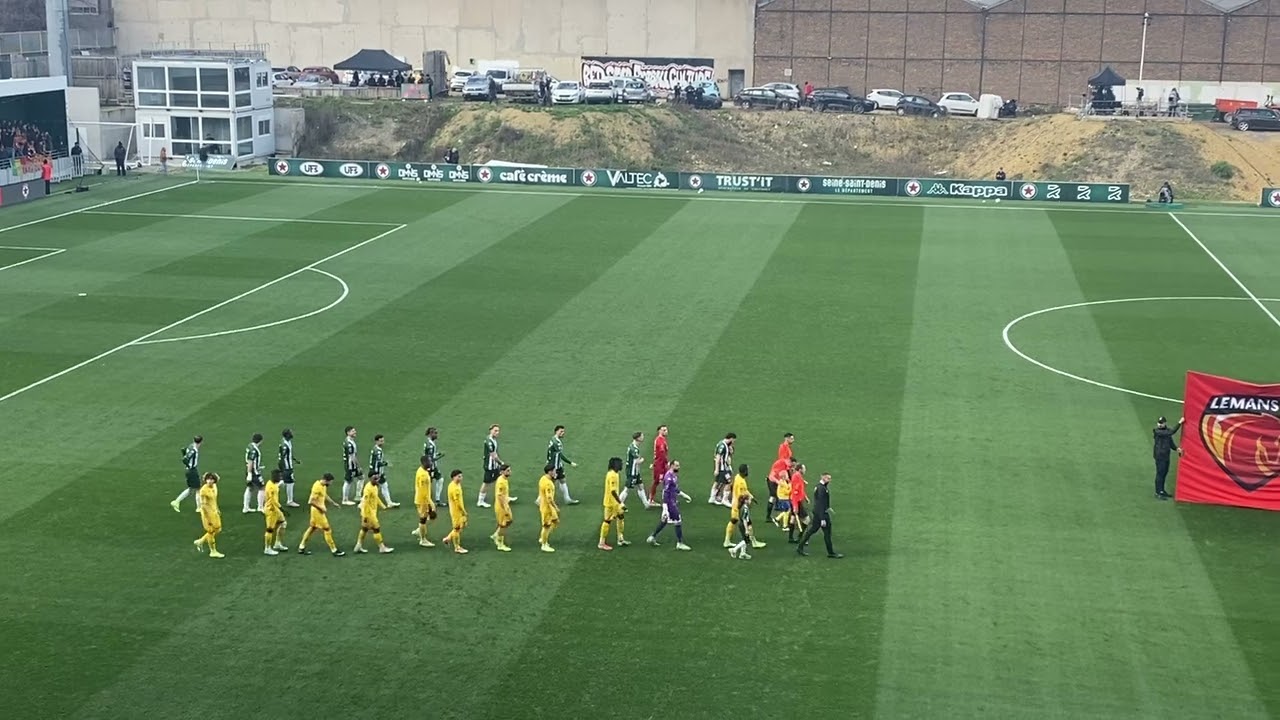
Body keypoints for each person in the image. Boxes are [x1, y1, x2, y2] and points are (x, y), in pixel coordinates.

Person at [647, 461, 692, 550]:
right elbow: (666, 492)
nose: (678, 467)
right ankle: (680, 543)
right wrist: (665, 507)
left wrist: (684, 495)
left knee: (664, 520)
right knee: (678, 520)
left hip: (671, 502)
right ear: (671, 466)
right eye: (676, 466)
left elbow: (675, 488)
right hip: (670, 503)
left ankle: (652, 537)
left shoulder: (673, 476)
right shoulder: (668, 477)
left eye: (679, 465)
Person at [796, 473, 843, 558]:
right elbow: (820, 503)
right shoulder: (822, 489)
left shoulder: (819, 487)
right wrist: (822, 518)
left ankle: (800, 547)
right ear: (823, 478)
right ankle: (831, 552)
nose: (829, 480)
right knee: (827, 533)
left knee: (812, 530)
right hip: (821, 514)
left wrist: (828, 507)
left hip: (818, 512)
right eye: (828, 478)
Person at [298, 473, 344, 556]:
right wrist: (321, 508)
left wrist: (333, 503)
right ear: (326, 480)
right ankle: (334, 550)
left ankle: (301, 547)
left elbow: (324, 495)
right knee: (327, 529)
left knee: (312, 528)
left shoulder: (323, 486)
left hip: (316, 511)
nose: (331, 484)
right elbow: (311, 501)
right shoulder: (317, 487)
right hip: (317, 512)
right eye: (330, 482)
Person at [724, 464, 765, 550]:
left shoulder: (737, 477)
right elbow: (742, 495)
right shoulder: (742, 482)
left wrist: (752, 496)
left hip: (734, 503)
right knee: (748, 522)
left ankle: (727, 541)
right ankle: (753, 542)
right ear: (745, 472)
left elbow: (744, 491)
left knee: (733, 520)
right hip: (740, 505)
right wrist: (749, 500)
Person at [354, 473, 394, 554]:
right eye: (375, 478)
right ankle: (381, 547)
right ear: (370, 478)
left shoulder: (374, 486)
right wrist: (365, 515)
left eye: (377, 478)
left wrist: (383, 506)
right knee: (376, 529)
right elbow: (364, 502)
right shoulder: (368, 489)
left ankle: (358, 546)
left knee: (364, 529)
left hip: (372, 512)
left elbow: (376, 497)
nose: (377, 480)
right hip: (369, 514)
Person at [599, 457, 628, 550]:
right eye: (620, 463)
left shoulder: (615, 474)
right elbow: (613, 491)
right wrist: (621, 502)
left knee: (621, 517)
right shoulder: (612, 475)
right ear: (615, 464)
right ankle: (601, 543)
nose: (621, 465)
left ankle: (620, 539)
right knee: (607, 521)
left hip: (615, 503)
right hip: (610, 503)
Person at [547, 425, 580, 504]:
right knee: (550, 483)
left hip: (557, 465)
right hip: (555, 466)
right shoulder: (556, 442)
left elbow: (553, 453)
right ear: (556, 431)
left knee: (562, 480)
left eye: (563, 431)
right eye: (561, 431)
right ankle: (541, 499)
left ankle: (567, 499)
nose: (563, 433)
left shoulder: (553, 439)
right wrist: (570, 462)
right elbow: (560, 454)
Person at [194, 472, 224, 558]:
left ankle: (201, 541)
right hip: (207, 514)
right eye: (208, 479)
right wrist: (208, 519)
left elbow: (214, 499)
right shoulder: (203, 491)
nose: (209, 481)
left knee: (218, 529)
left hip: (214, 512)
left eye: (211, 479)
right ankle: (213, 551)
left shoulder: (214, 487)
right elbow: (203, 505)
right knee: (211, 531)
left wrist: (217, 509)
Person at [1153, 416, 1183, 500]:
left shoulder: (1166, 431)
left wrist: (1176, 448)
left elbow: (1170, 442)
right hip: (1160, 457)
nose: (1160, 424)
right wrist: (1179, 423)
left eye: (1161, 423)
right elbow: (1171, 432)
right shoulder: (1157, 431)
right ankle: (1158, 492)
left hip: (1166, 456)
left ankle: (1162, 491)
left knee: (1164, 473)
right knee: (1160, 474)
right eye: (1159, 423)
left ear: (1165, 423)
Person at [171, 435, 203, 512]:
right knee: (198, 489)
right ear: (201, 442)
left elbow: (184, 450)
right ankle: (199, 507)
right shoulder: (194, 450)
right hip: (192, 471)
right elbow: (185, 459)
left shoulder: (190, 446)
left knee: (191, 489)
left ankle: (176, 501)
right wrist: (189, 465)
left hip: (189, 470)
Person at [618, 431, 649, 507]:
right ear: (638, 438)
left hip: (636, 471)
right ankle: (618, 503)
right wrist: (642, 460)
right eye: (642, 436)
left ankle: (646, 504)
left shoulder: (633, 446)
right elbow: (638, 461)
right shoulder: (634, 449)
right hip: (632, 472)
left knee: (641, 486)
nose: (643, 437)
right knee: (627, 488)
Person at [413, 455, 438, 547]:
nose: (431, 463)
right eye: (429, 461)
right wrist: (430, 503)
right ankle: (422, 539)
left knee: (426, 517)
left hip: (420, 499)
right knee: (424, 519)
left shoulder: (421, 470)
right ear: (424, 463)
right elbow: (424, 492)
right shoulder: (423, 475)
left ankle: (419, 530)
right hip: (423, 500)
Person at [263, 470, 289, 555]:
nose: (280, 478)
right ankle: (267, 548)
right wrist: (282, 509)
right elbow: (273, 501)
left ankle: (277, 543)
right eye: (279, 476)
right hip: (271, 510)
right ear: (275, 477)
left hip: (276, 509)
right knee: (270, 529)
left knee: (283, 523)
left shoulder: (273, 484)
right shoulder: (271, 487)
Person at [727, 484, 756, 560]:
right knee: (746, 541)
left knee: (744, 539)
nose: (750, 501)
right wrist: (746, 529)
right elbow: (745, 519)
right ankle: (734, 550)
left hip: (741, 524)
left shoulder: (742, 506)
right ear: (746, 501)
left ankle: (742, 553)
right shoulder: (745, 508)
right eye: (749, 499)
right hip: (743, 525)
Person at [443, 469, 469, 554]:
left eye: (461, 476)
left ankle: (448, 538)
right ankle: (457, 547)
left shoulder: (452, 485)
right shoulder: (455, 489)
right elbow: (457, 503)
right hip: (457, 511)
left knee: (461, 526)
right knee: (457, 529)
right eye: (459, 476)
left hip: (455, 510)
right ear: (454, 477)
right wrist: (463, 512)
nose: (461, 478)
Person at [478, 424, 503, 508]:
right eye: (495, 430)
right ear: (490, 430)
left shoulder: (493, 439)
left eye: (498, 431)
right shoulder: (489, 441)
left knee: (500, 479)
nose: (497, 432)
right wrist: (501, 463)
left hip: (494, 465)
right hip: (490, 466)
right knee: (486, 483)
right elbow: (493, 455)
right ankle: (480, 500)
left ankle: (503, 496)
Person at [369, 434, 398, 508]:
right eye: (381, 441)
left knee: (384, 486)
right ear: (377, 441)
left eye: (383, 441)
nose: (383, 442)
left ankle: (389, 502)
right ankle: (362, 503)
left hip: (377, 472)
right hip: (377, 473)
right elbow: (378, 463)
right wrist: (386, 463)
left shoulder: (375, 449)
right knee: (372, 488)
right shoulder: (378, 451)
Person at [490, 464, 514, 551]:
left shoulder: (504, 479)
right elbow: (499, 496)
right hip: (501, 506)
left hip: (504, 505)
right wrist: (505, 508)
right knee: (504, 524)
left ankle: (496, 535)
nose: (510, 472)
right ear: (502, 472)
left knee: (508, 521)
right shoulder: (501, 482)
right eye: (508, 470)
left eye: (510, 470)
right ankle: (500, 544)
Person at [537, 464, 559, 552]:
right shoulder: (548, 483)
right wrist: (555, 506)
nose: (555, 472)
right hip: (547, 507)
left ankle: (543, 537)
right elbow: (549, 498)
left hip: (545, 505)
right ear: (550, 472)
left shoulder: (543, 478)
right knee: (546, 526)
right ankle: (544, 544)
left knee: (555, 521)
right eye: (554, 471)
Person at [709, 432, 735, 506]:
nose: (733, 442)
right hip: (723, 468)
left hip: (723, 467)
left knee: (717, 482)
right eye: (733, 440)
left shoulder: (723, 444)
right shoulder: (722, 446)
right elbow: (718, 457)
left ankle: (712, 498)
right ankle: (725, 500)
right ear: (731, 438)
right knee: (729, 482)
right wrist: (717, 469)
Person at [766, 455, 791, 525]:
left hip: (779, 481)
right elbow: (771, 476)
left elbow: (785, 473)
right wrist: (778, 482)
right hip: (772, 481)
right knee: (773, 497)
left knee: (780, 495)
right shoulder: (778, 464)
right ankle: (768, 517)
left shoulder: (786, 465)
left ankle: (780, 510)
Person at [787, 463, 809, 544]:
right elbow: (795, 492)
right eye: (804, 469)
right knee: (807, 520)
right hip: (796, 501)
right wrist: (795, 506)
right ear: (800, 470)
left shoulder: (797, 476)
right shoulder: (797, 477)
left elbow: (801, 489)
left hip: (793, 500)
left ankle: (790, 538)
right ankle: (800, 537)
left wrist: (805, 497)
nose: (805, 470)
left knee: (793, 519)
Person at [278, 428, 300, 507]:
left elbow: (289, 454)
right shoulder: (285, 445)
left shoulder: (287, 442)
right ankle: (290, 501)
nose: (292, 434)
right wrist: (283, 469)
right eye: (291, 433)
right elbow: (283, 457)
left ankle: (271, 489)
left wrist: (294, 459)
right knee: (290, 482)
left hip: (288, 466)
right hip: (286, 467)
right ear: (287, 435)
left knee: (286, 481)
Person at [648, 424, 669, 509]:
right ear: (659, 431)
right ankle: (651, 500)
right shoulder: (660, 440)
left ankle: (667, 498)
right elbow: (662, 453)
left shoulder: (662, 439)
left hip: (661, 463)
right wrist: (667, 462)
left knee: (665, 480)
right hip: (660, 464)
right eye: (664, 430)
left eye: (666, 430)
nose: (666, 431)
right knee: (657, 481)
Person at [243, 432, 264, 513]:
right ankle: (260, 507)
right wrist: (250, 474)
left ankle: (246, 507)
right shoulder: (254, 450)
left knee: (250, 488)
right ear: (260, 441)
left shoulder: (250, 446)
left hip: (250, 470)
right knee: (262, 488)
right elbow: (250, 461)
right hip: (253, 472)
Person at [424, 427, 444, 505]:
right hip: (430, 467)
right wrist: (440, 456)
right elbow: (430, 458)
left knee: (440, 479)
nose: (436, 435)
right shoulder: (430, 445)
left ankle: (437, 499)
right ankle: (427, 500)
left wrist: (437, 454)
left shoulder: (429, 442)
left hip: (432, 466)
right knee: (428, 483)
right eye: (435, 433)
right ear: (430, 434)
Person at [341, 426, 360, 506]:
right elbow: (352, 457)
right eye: (353, 431)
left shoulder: (350, 441)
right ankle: (345, 499)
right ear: (348, 433)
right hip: (350, 465)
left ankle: (358, 496)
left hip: (351, 464)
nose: (355, 432)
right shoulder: (349, 444)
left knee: (361, 477)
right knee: (348, 481)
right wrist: (358, 466)